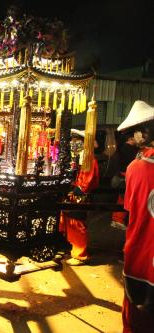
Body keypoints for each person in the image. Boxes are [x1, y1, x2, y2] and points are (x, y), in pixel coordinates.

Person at [117, 100, 154, 333]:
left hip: (142, 254)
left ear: (145, 132)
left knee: (136, 321)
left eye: (134, 132)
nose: (131, 138)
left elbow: (132, 210)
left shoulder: (136, 168)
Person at [59, 129, 100, 266]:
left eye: (76, 141)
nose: (73, 144)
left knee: (78, 223)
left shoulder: (90, 159)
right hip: (77, 192)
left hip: (82, 195)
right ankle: (74, 249)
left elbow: (88, 181)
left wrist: (78, 189)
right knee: (71, 221)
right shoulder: (82, 158)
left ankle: (80, 255)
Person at [110, 132, 139, 230]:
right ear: (130, 138)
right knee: (124, 199)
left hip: (120, 177)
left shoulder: (123, 148)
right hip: (124, 178)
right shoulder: (129, 150)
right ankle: (118, 220)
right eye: (135, 137)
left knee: (121, 198)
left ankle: (116, 220)